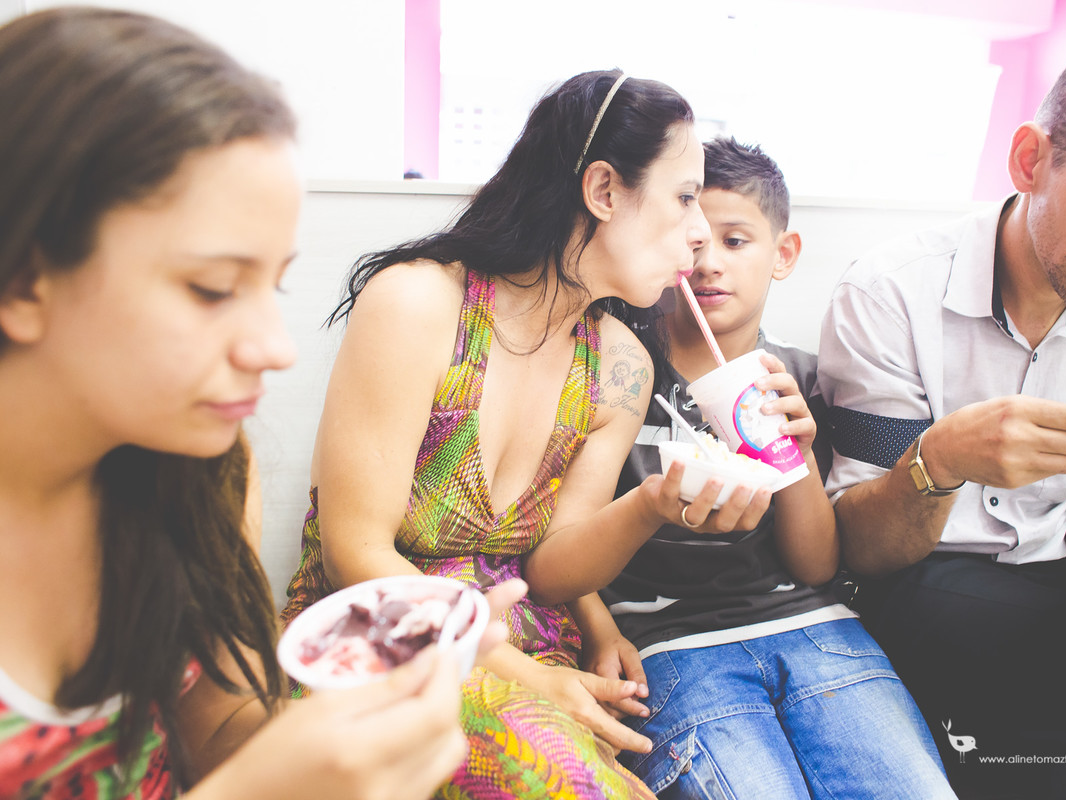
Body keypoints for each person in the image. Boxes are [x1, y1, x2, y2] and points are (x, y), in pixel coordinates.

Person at [0, 7, 523, 800]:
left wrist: (377, 703)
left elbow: (217, 730)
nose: (275, 347)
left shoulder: (198, 473)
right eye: (212, 288)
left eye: (271, 285)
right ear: (26, 278)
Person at [280, 71, 774, 798]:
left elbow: (547, 571)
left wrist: (654, 506)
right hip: (383, 630)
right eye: (685, 196)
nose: (700, 234)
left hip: (525, 636)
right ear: (603, 190)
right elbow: (355, 552)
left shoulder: (619, 367)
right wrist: (529, 679)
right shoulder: (418, 304)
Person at [817, 38, 1066, 799]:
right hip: (906, 594)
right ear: (1030, 161)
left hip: (1047, 600)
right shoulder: (890, 292)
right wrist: (942, 460)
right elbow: (859, 551)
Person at [576, 137, 954, 799]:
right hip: (666, 647)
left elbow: (815, 566)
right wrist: (598, 627)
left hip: (814, 628)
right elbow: (556, 529)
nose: (708, 264)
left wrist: (797, 453)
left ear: (783, 255)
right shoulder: (615, 372)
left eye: (735, 241)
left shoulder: (803, 379)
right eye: (691, 242)